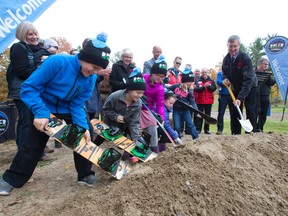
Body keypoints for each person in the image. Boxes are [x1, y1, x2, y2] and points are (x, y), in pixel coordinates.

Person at [0, 32, 111, 196]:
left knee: (86, 135)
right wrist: (40, 112)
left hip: (68, 109)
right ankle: (11, 178)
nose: (95, 72)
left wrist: (82, 126)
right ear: (84, 57)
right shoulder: (57, 62)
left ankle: (85, 174)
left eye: (98, 69)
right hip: (43, 107)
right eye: (94, 67)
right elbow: (30, 88)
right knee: (33, 145)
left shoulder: (90, 79)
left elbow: (77, 103)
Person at [5, 21, 53, 161]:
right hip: (21, 91)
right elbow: (22, 71)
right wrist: (42, 69)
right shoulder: (18, 48)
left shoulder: (38, 50)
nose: (34, 36)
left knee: (37, 120)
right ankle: (24, 154)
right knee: (26, 121)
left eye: (36, 33)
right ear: (22, 35)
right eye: (30, 34)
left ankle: (38, 151)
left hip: (35, 91)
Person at [101, 67, 146, 162]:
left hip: (125, 125)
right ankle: (92, 147)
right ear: (129, 90)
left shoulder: (138, 103)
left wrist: (136, 138)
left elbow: (135, 122)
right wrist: (115, 116)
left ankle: (131, 155)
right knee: (100, 139)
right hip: (109, 124)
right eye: (138, 92)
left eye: (142, 93)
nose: (140, 96)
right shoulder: (115, 96)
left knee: (132, 136)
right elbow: (106, 109)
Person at [222, 35, 258, 134]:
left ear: (239, 45)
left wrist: (240, 98)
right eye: (230, 46)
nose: (232, 49)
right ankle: (235, 134)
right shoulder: (226, 59)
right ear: (227, 45)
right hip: (235, 87)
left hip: (250, 86)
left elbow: (248, 80)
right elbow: (224, 72)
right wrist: (226, 78)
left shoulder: (245, 59)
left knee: (250, 109)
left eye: (235, 46)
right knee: (235, 111)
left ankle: (251, 133)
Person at [140, 55, 167, 153]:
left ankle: (154, 149)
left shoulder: (160, 88)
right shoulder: (142, 78)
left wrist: (161, 118)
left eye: (162, 77)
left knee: (152, 126)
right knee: (133, 127)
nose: (160, 79)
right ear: (152, 73)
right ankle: (129, 151)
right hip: (135, 107)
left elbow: (160, 105)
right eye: (158, 75)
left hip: (148, 110)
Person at [169, 66, 199, 141]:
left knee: (190, 124)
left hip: (186, 110)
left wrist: (197, 111)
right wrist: (171, 95)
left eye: (192, 82)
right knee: (177, 126)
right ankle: (178, 138)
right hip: (176, 110)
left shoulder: (190, 90)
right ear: (185, 81)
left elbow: (192, 101)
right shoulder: (176, 86)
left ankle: (196, 138)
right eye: (189, 81)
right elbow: (167, 89)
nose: (191, 83)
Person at [255, 58, 276, 132]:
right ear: (260, 64)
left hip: (265, 95)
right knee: (255, 113)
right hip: (255, 96)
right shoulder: (254, 72)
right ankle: (254, 128)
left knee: (263, 113)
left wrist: (268, 75)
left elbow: (272, 82)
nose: (266, 66)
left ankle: (260, 128)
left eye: (267, 65)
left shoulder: (268, 74)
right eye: (265, 64)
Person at [194, 68, 217, 134]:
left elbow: (213, 89)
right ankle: (198, 129)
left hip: (208, 101)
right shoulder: (198, 80)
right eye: (203, 72)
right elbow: (197, 89)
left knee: (208, 116)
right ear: (201, 73)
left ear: (207, 73)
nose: (204, 73)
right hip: (200, 101)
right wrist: (204, 87)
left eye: (205, 72)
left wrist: (208, 86)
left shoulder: (211, 80)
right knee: (199, 116)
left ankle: (206, 129)